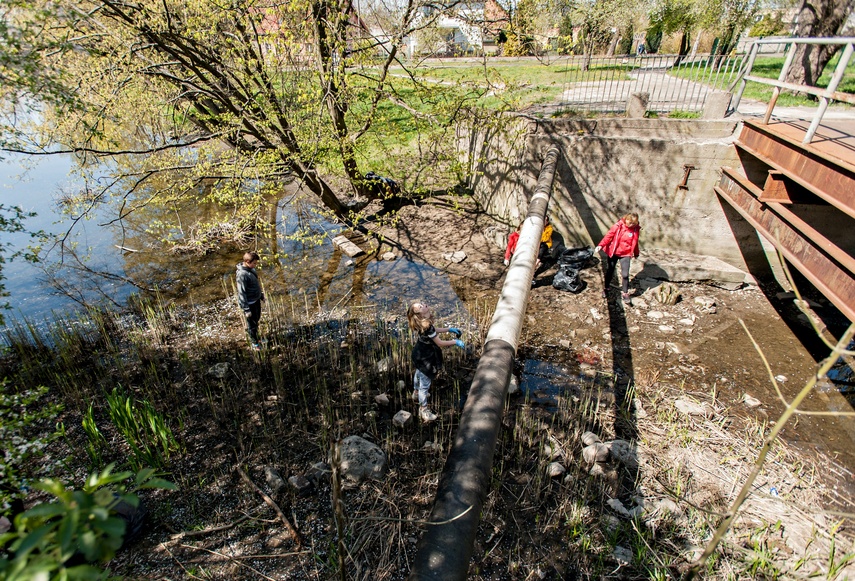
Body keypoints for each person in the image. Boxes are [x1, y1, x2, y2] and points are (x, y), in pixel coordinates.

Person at [407, 302, 465, 422]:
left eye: (422, 303)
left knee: (418, 373)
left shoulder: (423, 323)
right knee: (425, 383)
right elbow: (440, 343)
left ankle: (416, 392)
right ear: (419, 314)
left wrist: (449, 329)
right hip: (425, 358)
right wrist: (455, 342)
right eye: (420, 307)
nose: (423, 305)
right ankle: (423, 409)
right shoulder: (426, 325)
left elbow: (434, 331)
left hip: (418, 354)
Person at [595, 213, 640, 305]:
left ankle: (625, 292)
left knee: (625, 274)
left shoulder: (635, 229)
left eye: (634, 223)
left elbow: (635, 242)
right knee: (610, 270)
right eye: (630, 222)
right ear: (626, 219)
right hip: (614, 252)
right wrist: (601, 245)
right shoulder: (618, 226)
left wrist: (636, 253)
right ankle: (606, 288)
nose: (631, 225)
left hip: (626, 254)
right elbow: (608, 236)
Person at [236, 251, 265, 350]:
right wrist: (246, 309)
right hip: (250, 304)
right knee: (251, 324)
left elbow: (254, 285)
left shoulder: (251, 269)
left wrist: (260, 295)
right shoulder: (242, 275)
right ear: (247, 262)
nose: (255, 265)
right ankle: (254, 343)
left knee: (256, 320)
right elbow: (241, 293)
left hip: (256, 300)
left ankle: (257, 339)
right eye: (254, 263)